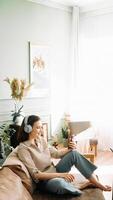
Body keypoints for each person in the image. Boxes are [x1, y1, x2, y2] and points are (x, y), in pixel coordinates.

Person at [17, 115, 111, 195]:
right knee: (59, 184)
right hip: (44, 182)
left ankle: (97, 183)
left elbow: (56, 154)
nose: (41, 130)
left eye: (41, 127)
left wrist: (69, 149)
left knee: (73, 154)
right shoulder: (23, 148)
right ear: (27, 128)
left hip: (54, 170)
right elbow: (36, 175)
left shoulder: (41, 140)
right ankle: (83, 185)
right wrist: (61, 175)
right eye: (38, 127)